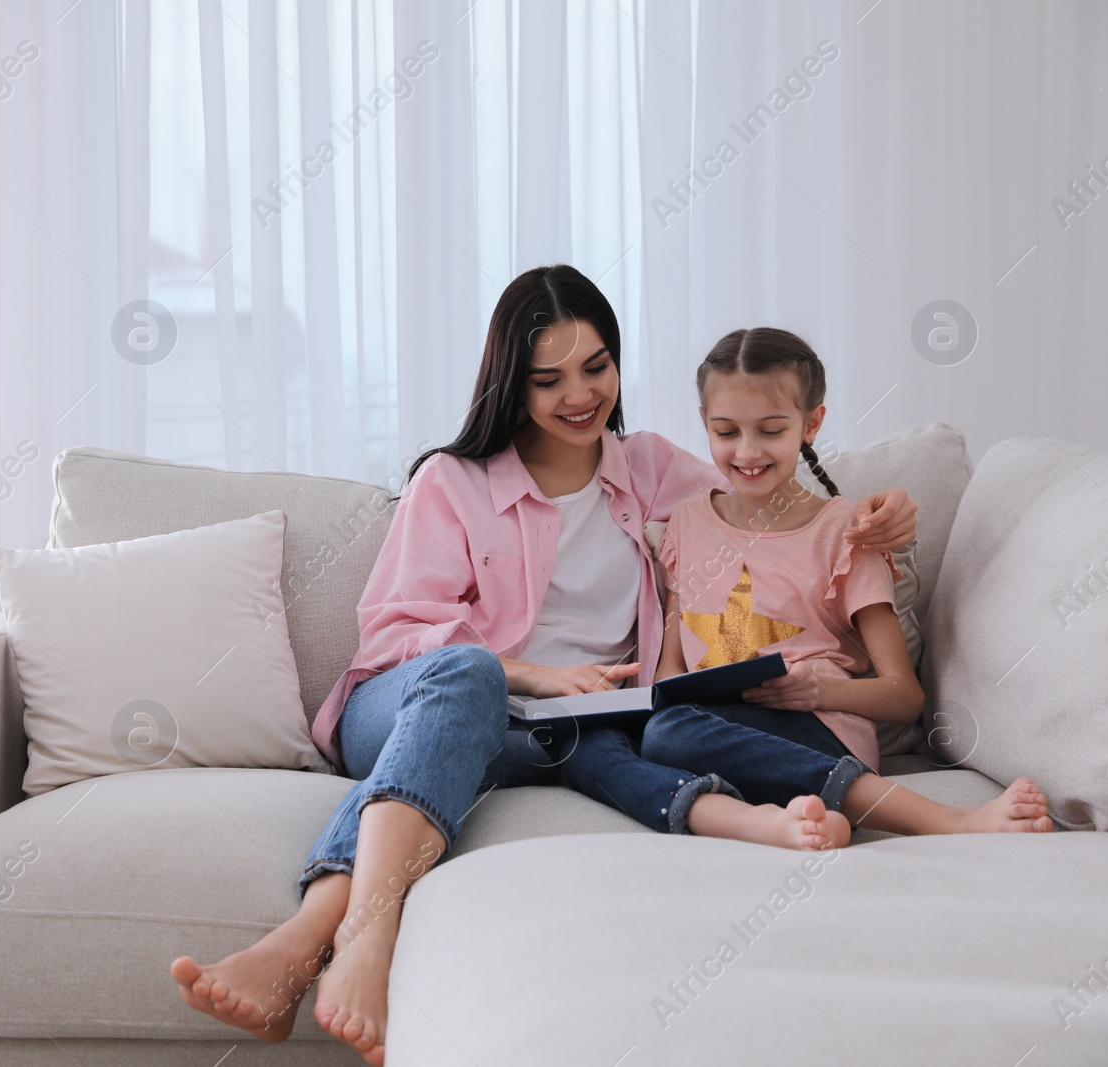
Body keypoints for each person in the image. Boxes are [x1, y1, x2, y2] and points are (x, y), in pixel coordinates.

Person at [169, 267, 921, 1065]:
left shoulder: (650, 467)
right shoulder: (452, 483)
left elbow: (771, 504)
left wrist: (886, 509)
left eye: (597, 367)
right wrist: (527, 672)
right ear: (510, 382)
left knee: (603, 740)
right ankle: (367, 933)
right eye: (548, 377)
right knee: (471, 677)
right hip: (419, 704)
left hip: (565, 730)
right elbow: (393, 630)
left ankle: (295, 944)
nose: (580, 395)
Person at [638, 325, 1053, 838]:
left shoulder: (846, 533)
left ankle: (948, 820)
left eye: (770, 431)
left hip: (820, 730)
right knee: (660, 733)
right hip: (719, 730)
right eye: (726, 432)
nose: (747, 452)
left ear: (811, 424)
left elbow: (904, 696)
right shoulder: (687, 524)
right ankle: (805, 817)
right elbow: (671, 668)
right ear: (704, 422)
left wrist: (821, 690)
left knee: (669, 738)